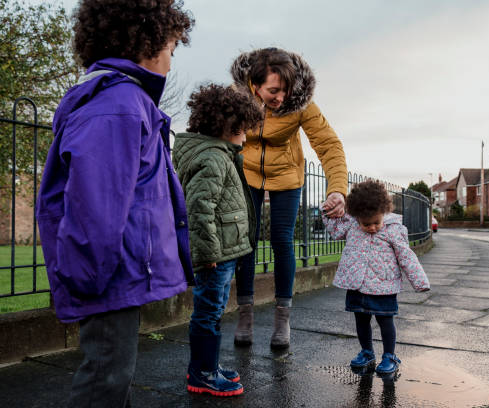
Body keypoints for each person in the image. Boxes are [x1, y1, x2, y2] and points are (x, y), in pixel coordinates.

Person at [35, 1, 194, 406]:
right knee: (105, 379)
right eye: (172, 50)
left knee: (113, 377)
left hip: (114, 270)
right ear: (147, 41)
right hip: (106, 273)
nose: (171, 63)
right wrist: (89, 280)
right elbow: (95, 208)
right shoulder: (118, 106)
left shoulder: (126, 102)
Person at [230, 47, 348, 349]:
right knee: (247, 241)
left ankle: (282, 319)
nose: (280, 98)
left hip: (286, 174)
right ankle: (245, 315)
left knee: (283, 240)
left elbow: (328, 144)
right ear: (254, 85)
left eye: (285, 90)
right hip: (247, 171)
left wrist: (337, 189)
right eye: (272, 91)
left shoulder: (300, 104)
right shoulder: (237, 97)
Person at [173, 84, 263, 396]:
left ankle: (207, 366)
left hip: (224, 252)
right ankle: (202, 374)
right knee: (208, 313)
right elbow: (199, 209)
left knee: (213, 312)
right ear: (226, 127)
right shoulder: (214, 157)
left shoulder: (220, 154)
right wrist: (208, 253)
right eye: (242, 129)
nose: (246, 136)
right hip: (216, 255)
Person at [322, 180, 430, 375]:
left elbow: (406, 256)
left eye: (376, 222)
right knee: (361, 320)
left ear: (384, 213)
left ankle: (389, 355)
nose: (371, 227)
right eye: (366, 224)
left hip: (384, 286)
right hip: (358, 284)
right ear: (356, 217)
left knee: (385, 321)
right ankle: (367, 352)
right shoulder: (352, 226)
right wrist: (328, 211)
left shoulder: (394, 230)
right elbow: (335, 230)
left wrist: (419, 281)